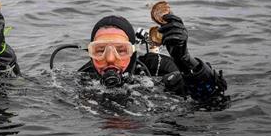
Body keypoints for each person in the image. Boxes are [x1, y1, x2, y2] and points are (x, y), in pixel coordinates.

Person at [78, 14, 227, 104]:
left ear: (133, 52)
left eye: (121, 50)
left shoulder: (159, 68)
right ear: (90, 53)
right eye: (100, 50)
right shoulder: (82, 78)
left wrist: (184, 59)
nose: (110, 59)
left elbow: (213, 100)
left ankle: (152, 44)